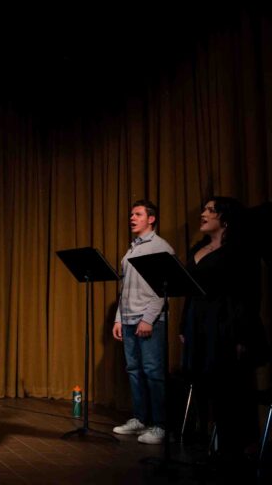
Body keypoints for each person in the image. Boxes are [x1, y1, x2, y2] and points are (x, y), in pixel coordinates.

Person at [180, 197, 267, 461]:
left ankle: (237, 444)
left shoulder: (240, 251)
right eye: (204, 209)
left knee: (230, 383)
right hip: (198, 321)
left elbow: (249, 295)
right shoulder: (198, 247)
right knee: (202, 379)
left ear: (225, 219)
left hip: (225, 322)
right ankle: (209, 438)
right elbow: (188, 290)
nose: (203, 214)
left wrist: (243, 335)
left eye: (210, 210)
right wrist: (184, 324)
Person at [112, 200, 175, 444]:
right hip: (128, 319)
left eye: (137, 214)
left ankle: (159, 425)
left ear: (151, 219)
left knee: (153, 372)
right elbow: (124, 289)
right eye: (131, 214)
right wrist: (119, 318)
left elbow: (164, 288)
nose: (132, 218)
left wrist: (148, 319)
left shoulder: (160, 247)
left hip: (149, 320)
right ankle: (140, 419)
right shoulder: (131, 250)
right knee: (134, 370)